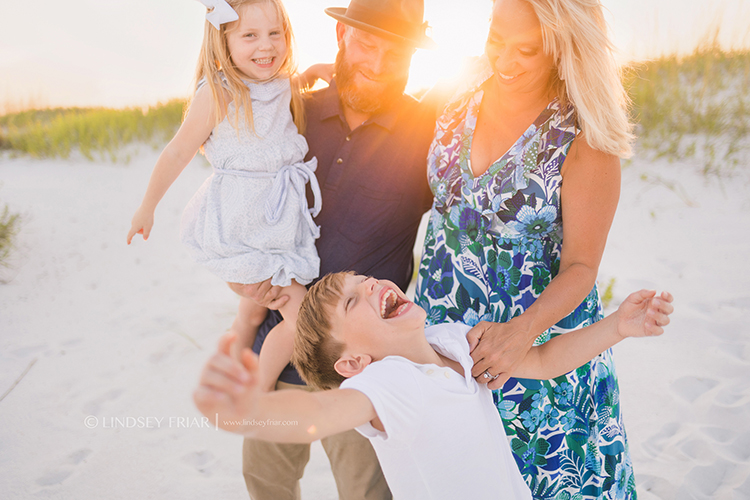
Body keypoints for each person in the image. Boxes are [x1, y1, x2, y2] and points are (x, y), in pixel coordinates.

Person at [414, 0, 637, 497]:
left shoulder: (584, 139)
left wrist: (521, 334)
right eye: (496, 39)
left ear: (561, 49)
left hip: (535, 357)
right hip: (444, 341)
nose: (504, 60)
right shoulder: (456, 97)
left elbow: (581, 267)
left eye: (527, 50)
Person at [194, 273, 674, 500]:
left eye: (364, 279)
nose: (372, 285)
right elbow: (320, 415)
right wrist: (247, 412)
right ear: (354, 362)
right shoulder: (388, 384)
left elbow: (545, 361)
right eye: (354, 301)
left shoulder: (452, 341)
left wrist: (617, 327)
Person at [230, 1, 438, 498]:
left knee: (368, 493)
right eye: (367, 44)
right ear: (342, 35)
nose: (379, 65)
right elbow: (234, 182)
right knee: (266, 483)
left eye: (397, 53)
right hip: (275, 353)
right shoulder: (291, 112)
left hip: (365, 370)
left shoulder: (429, 133)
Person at [126, 0, 322, 393]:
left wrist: (315, 73)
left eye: (275, 33)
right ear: (224, 41)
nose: (266, 46)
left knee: (251, 314)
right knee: (299, 316)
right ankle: (257, 390)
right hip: (244, 225)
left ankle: (231, 371)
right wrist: (147, 206)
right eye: (250, 35)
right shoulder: (220, 92)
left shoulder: (277, 82)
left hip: (277, 221)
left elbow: (285, 87)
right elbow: (178, 151)